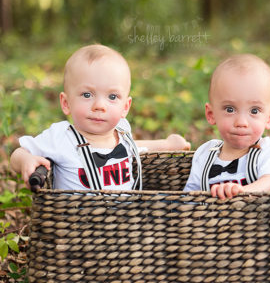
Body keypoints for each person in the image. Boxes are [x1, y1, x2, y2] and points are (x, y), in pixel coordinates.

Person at [11, 44, 190, 190]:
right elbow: (18, 153)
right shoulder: (60, 136)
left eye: (112, 97)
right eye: (87, 95)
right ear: (66, 103)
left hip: (125, 224)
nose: (99, 106)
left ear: (125, 107)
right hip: (76, 226)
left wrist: (167, 144)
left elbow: (135, 147)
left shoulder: (122, 131)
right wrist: (26, 160)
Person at [183, 53, 270, 199]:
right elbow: (189, 197)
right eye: (230, 109)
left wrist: (241, 191)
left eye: (254, 111)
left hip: (261, 220)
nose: (241, 122)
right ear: (211, 114)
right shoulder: (204, 154)